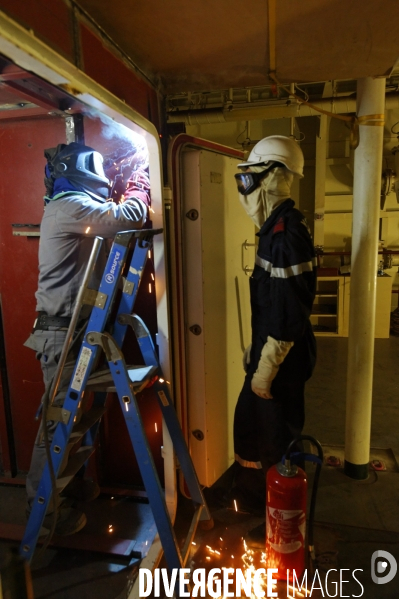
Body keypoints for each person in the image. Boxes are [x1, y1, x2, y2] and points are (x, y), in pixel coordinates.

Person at [24, 142, 149, 535]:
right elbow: (129, 216)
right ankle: (42, 512)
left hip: (75, 332)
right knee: (56, 422)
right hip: (61, 336)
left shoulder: (72, 207)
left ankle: (69, 489)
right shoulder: (68, 207)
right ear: (83, 176)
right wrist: (140, 183)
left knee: (69, 418)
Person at [231, 135, 317, 518]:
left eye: (248, 181)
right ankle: (252, 505)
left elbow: (288, 312)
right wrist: (258, 346)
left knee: (275, 442)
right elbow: (274, 304)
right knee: (249, 428)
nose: (244, 190)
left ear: (272, 178)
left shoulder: (287, 235)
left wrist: (267, 365)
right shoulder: (274, 230)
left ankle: (278, 518)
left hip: (283, 361)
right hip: (272, 351)